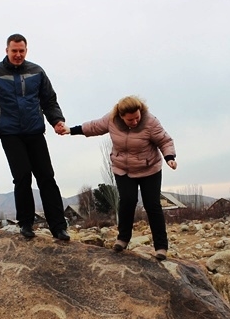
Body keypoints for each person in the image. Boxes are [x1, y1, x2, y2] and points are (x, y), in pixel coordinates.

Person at [0, 33, 70, 241]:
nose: (18, 55)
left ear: (26, 50)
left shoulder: (37, 71)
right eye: (14, 51)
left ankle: (59, 227)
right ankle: (26, 224)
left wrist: (57, 121)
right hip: (10, 133)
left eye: (21, 51)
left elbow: (49, 100)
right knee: (23, 177)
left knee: (46, 177)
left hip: (35, 131)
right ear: (6, 50)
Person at [62, 95, 176, 260]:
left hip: (149, 168)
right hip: (123, 169)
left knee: (152, 205)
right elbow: (94, 127)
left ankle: (161, 247)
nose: (135, 122)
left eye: (137, 117)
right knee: (127, 201)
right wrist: (71, 130)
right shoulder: (112, 119)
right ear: (121, 116)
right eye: (130, 120)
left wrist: (169, 157)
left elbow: (164, 141)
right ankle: (123, 238)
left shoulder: (150, 122)